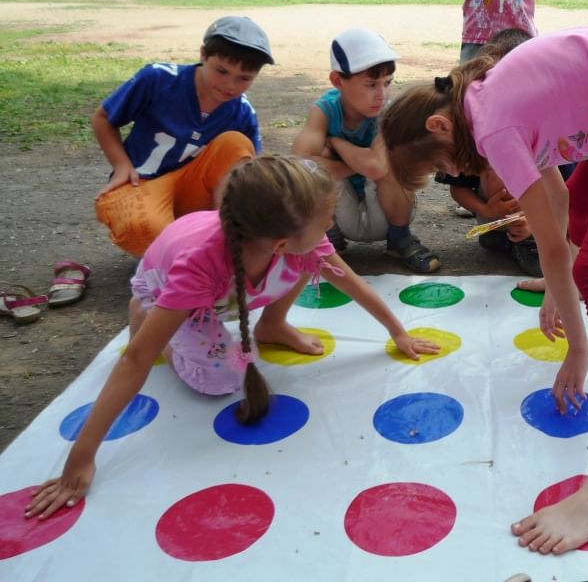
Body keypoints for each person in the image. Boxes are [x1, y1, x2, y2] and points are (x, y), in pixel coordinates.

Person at [380, 26, 588, 554]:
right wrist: (556, 292)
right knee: (584, 245)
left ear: (440, 125)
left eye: (440, 163)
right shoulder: (485, 97)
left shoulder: (491, 129)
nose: (451, 173)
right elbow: (560, 200)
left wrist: (577, 344)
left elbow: (550, 244)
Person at [24, 155, 438, 521]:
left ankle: (271, 325)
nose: (329, 227)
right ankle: (147, 314)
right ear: (278, 240)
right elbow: (135, 359)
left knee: (311, 264)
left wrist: (397, 332)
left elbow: (345, 279)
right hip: (170, 291)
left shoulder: (287, 244)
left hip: (232, 286)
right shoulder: (199, 267)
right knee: (221, 380)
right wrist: (80, 457)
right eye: (326, 221)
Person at [93, 15, 272, 258]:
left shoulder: (242, 112)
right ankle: (186, 254)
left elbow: (249, 174)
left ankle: (222, 234)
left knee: (236, 144)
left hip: (192, 197)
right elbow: (103, 118)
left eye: (244, 78)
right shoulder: (158, 78)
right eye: (221, 71)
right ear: (203, 54)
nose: (230, 85)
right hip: (140, 184)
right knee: (144, 228)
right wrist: (121, 164)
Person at [291, 28, 441, 273]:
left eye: (387, 83)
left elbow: (376, 167)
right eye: (371, 84)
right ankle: (328, 238)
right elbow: (298, 165)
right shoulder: (325, 110)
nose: (381, 95)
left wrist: (336, 144)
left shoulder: (388, 114)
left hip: (385, 212)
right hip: (341, 212)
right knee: (311, 169)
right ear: (338, 81)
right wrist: (359, 160)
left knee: (394, 161)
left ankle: (399, 239)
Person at [435, 28, 545, 278]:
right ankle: (502, 232)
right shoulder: (476, 121)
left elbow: (568, 192)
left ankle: (528, 239)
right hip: (494, 214)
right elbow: (458, 187)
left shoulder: (542, 121)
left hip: (542, 215)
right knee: (495, 164)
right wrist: (487, 210)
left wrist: (535, 223)